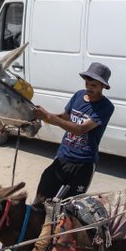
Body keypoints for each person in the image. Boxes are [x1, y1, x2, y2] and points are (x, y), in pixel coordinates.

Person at [32, 62, 115, 205]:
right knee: (41, 199)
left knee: (69, 207)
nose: (89, 87)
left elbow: (80, 129)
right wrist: (43, 116)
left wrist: (49, 117)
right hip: (63, 157)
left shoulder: (106, 107)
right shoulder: (78, 95)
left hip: (84, 164)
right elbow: (64, 116)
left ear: (103, 86)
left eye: (94, 85)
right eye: (87, 83)